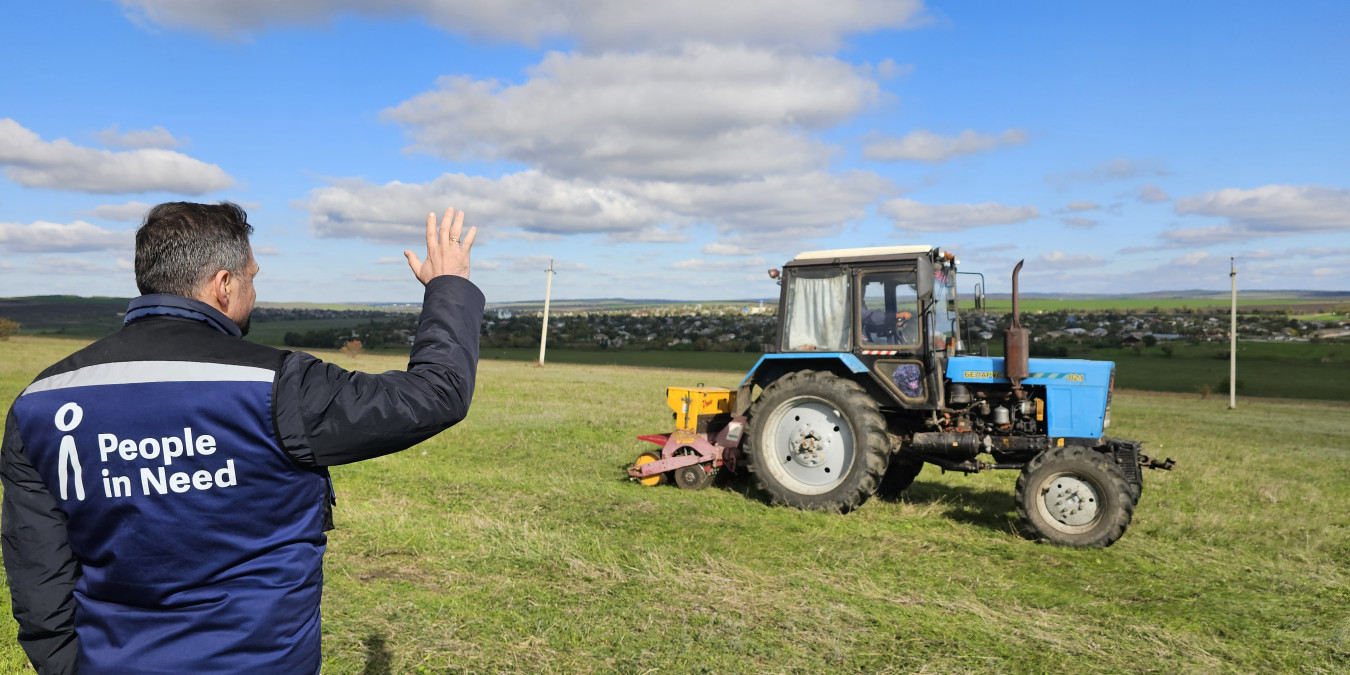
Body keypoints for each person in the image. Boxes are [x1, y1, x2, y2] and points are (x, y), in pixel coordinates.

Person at [1, 202, 483, 674]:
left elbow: (37, 568)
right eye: (252, 278)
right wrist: (449, 287)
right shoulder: (281, 385)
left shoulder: (39, 403)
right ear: (224, 284)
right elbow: (435, 393)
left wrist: (67, 666)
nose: (254, 292)